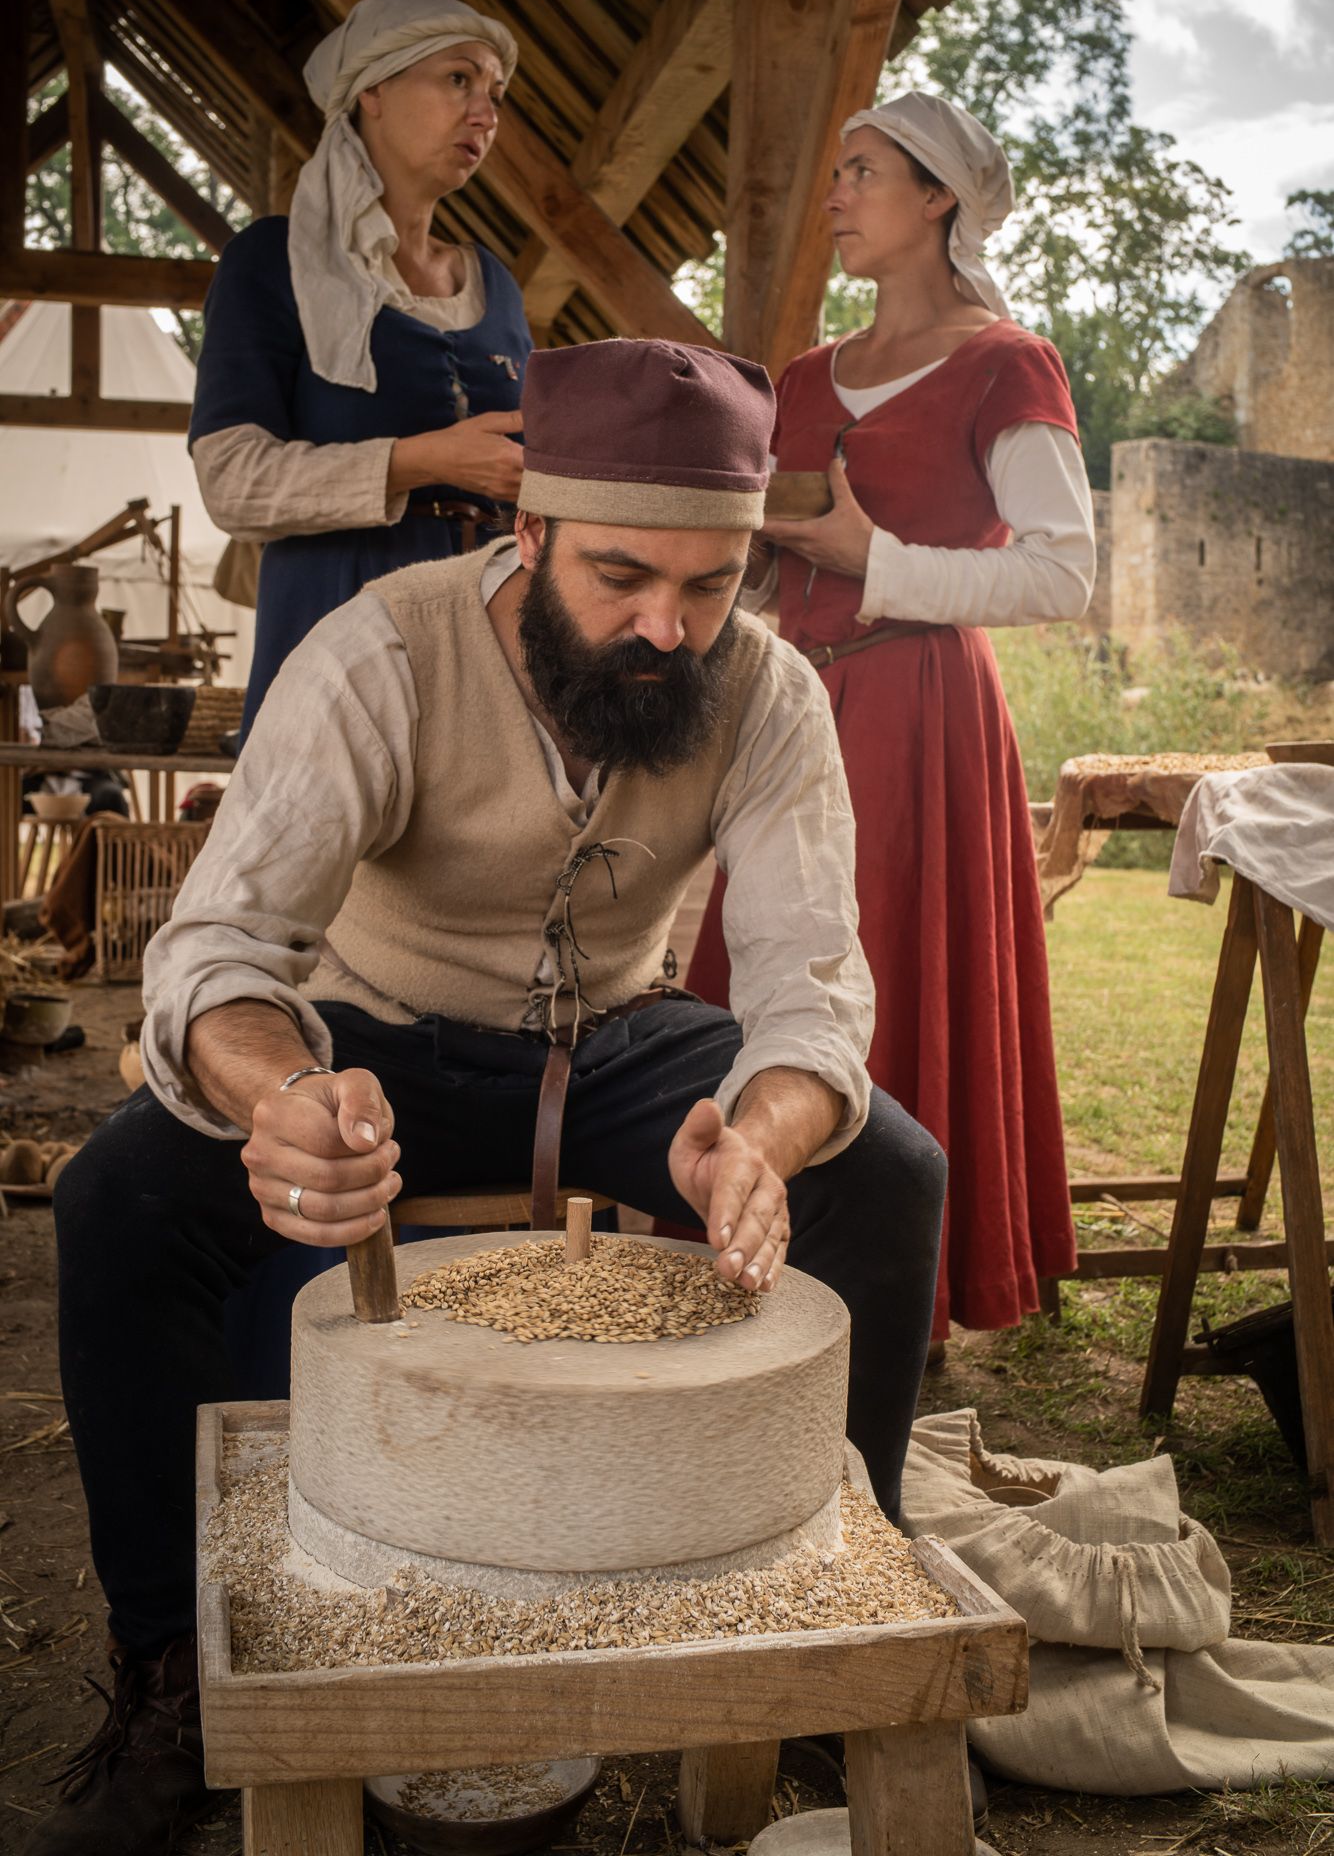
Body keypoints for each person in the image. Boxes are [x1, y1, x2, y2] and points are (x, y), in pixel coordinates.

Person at [31, 339, 946, 1856]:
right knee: (115, 1201)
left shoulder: (768, 692)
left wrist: (761, 1143)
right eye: (620, 578)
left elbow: (807, 979)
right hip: (372, 1036)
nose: (667, 627)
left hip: (618, 1040)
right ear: (525, 540)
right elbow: (224, 944)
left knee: (887, 1169)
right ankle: (174, 1679)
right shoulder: (382, 654)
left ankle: (831, 1592)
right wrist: (278, 1096)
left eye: (710, 587)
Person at [690, 93, 1095, 1353]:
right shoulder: (802, 381)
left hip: (923, 715)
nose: (836, 193)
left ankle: (893, 1296)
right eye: (836, 170)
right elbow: (771, 561)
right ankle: (739, 1238)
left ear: (938, 200)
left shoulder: (1005, 362)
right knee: (763, 966)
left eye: (860, 171)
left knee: (897, 974)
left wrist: (883, 560)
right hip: (787, 706)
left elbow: (1061, 573)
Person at [189, 0, 532, 733]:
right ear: (372, 89)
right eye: (458, 80)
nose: (485, 113)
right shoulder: (270, 263)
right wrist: (422, 460)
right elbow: (232, 484)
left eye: (495, 95)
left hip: (489, 650)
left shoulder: (495, 283)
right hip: (336, 630)